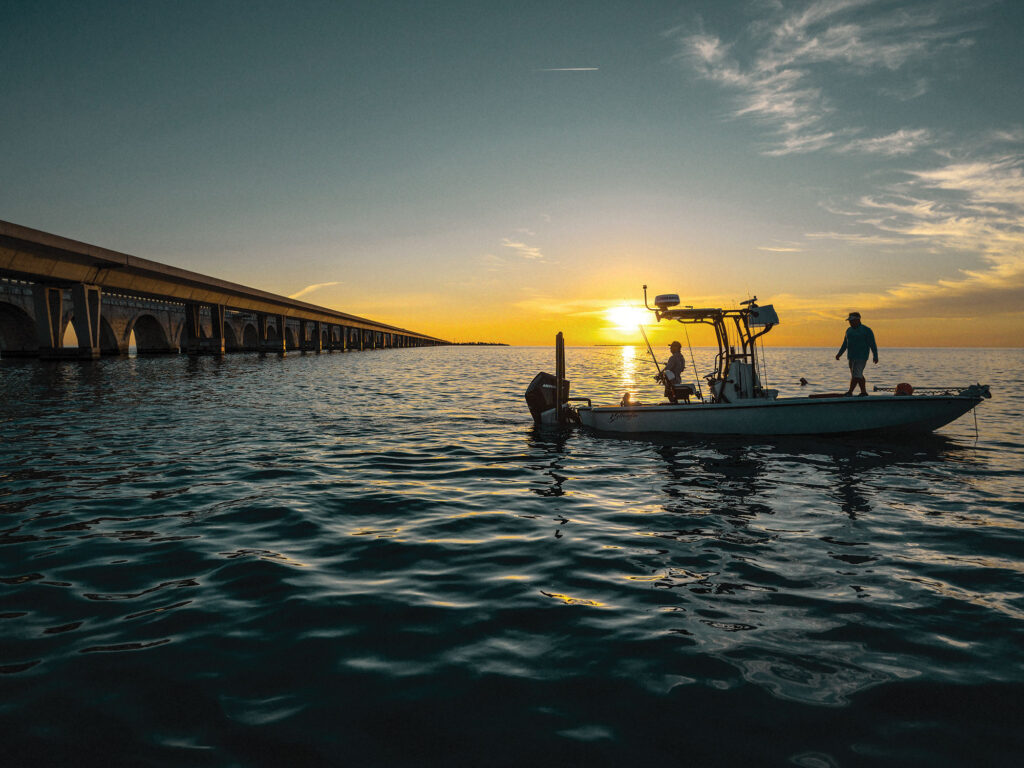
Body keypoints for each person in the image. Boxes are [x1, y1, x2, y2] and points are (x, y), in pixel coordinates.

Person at [835, 311, 878, 396]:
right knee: (857, 375)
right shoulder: (848, 330)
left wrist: (875, 356)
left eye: (852, 320)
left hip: (862, 356)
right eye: (849, 321)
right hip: (851, 356)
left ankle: (850, 392)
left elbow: (872, 344)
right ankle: (864, 392)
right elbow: (845, 344)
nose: (850, 322)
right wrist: (839, 354)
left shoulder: (866, 330)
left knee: (856, 375)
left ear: (858, 320)